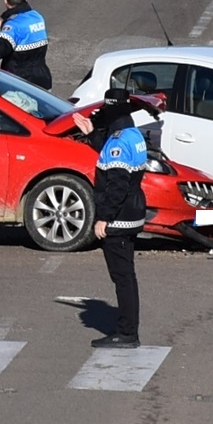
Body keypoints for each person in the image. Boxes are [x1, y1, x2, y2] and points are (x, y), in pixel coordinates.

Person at [73, 88, 148, 348]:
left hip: (119, 219)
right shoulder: (132, 134)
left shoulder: (118, 142)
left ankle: (127, 333)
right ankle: (128, 330)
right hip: (133, 212)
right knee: (126, 276)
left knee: (123, 277)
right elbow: (113, 157)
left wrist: (104, 218)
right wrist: (92, 135)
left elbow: (117, 184)